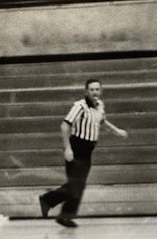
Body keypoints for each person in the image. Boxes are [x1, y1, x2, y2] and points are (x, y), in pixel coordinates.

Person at [39, 79, 128, 227]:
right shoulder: (80, 106)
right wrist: (67, 148)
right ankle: (47, 200)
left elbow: (102, 122)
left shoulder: (100, 106)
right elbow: (65, 125)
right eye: (91, 89)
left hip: (88, 150)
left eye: (97, 89)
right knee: (76, 185)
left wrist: (117, 131)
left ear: (101, 91)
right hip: (76, 146)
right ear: (86, 91)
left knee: (79, 186)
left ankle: (65, 216)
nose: (94, 92)